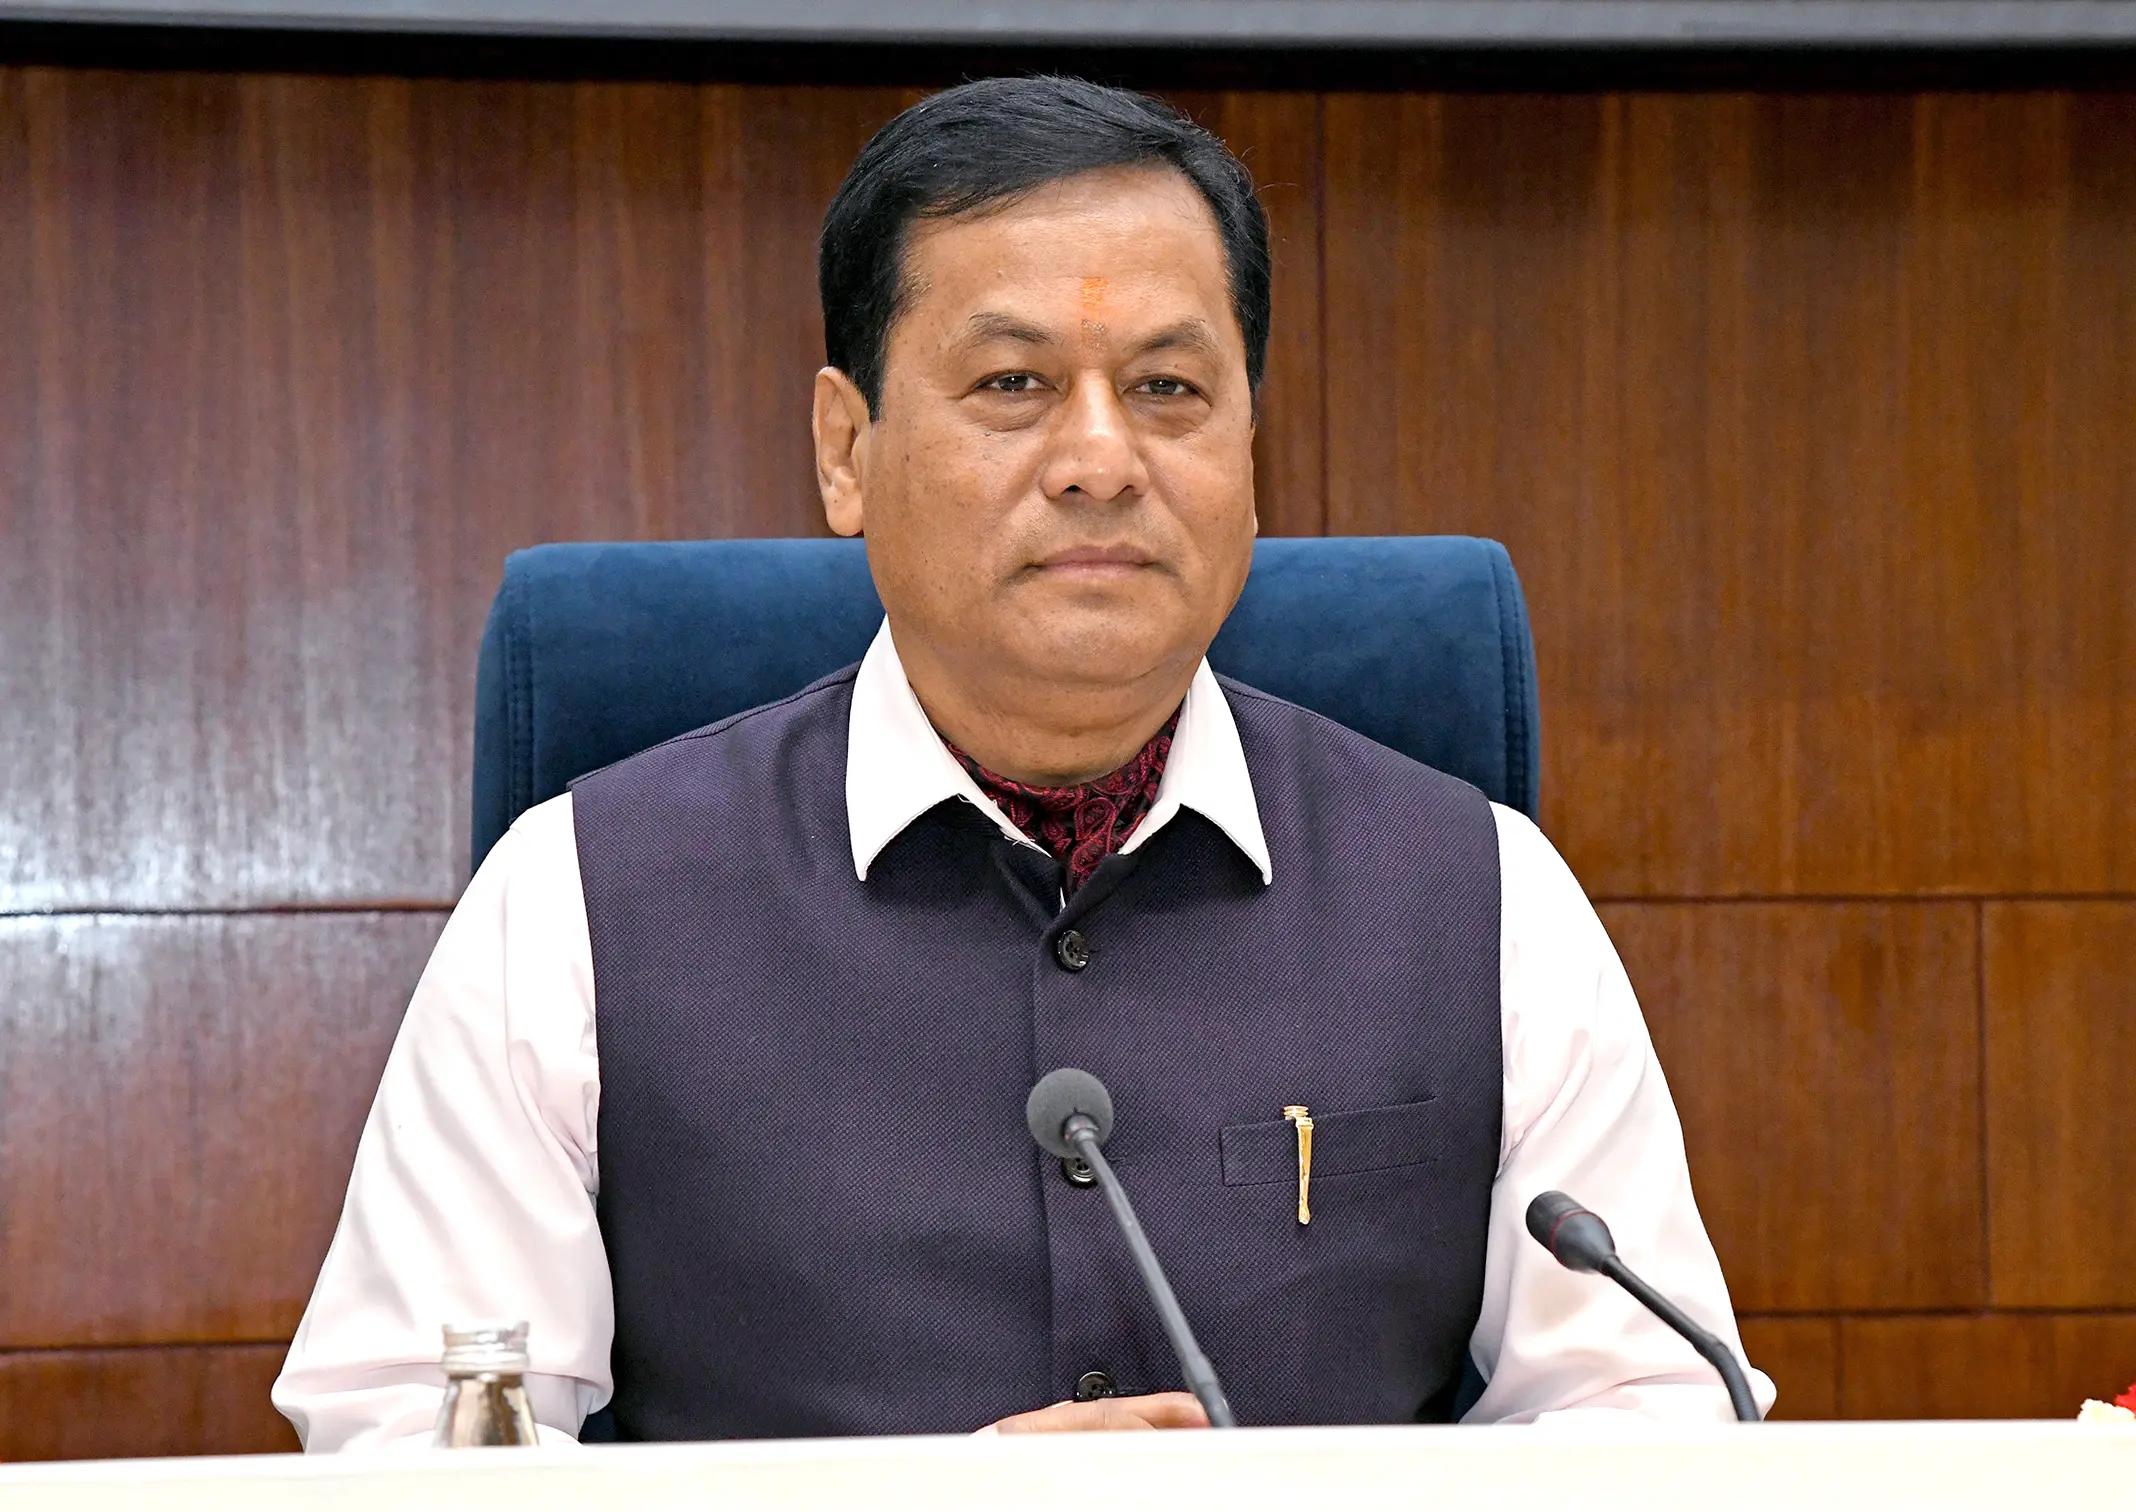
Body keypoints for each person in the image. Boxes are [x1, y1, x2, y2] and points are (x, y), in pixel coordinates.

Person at [274, 75, 1773, 1448]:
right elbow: (411, 1453)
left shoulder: (1484, 898)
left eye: (1170, 390)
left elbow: (1649, 1420)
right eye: (1014, 385)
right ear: (846, 450)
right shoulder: (573, 907)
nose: (1102, 460)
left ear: (1252, 450)